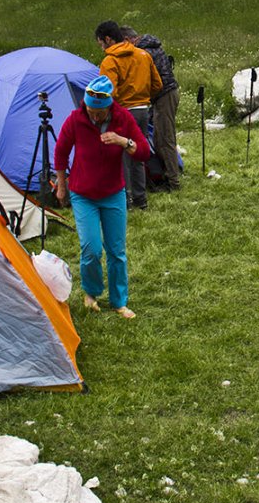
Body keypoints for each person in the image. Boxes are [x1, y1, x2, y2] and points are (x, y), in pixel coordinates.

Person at [53, 76, 151, 319]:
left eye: (99, 112)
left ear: (109, 106)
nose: (94, 116)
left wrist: (122, 141)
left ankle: (119, 302)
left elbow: (144, 152)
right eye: (90, 110)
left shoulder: (122, 118)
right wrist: (62, 185)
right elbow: (61, 151)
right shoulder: (76, 119)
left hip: (113, 193)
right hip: (82, 194)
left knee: (116, 251)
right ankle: (91, 293)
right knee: (91, 249)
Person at [96, 20, 163, 209]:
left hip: (123, 112)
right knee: (138, 154)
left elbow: (107, 92)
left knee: (121, 158)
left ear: (108, 39)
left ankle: (125, 200)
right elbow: (157, 84)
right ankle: (141, 199)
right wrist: (143, 97)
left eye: (101, 43)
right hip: (143, 110)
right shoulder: (143, 55)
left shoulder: (110, 61)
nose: (102, 48)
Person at [128, 28, 181, 191]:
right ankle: (167, 175)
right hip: (163, 95)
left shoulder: (143, 53)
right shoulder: (150, 46)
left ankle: (174, 182)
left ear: (130, 39)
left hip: (164, 95)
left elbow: (147, 79)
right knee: (158, 139)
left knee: (166, 140)